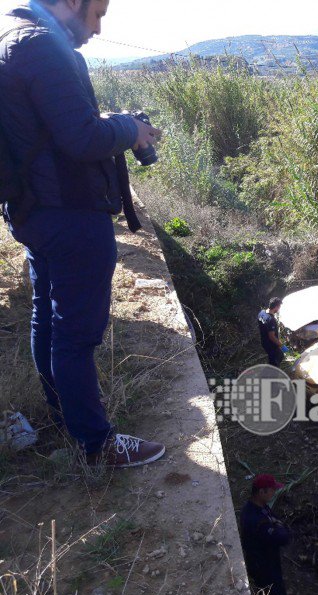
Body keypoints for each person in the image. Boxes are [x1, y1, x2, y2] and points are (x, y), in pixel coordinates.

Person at [0, 0, 164, 466]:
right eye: (99, 11)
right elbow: (82, 139)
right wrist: (128, 129)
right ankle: (98, 444)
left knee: (47, 319)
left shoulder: (13, 36)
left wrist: (111, 122)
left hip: (34, 209)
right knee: (75, 335)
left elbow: (53, 127)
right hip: (69, 213)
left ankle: (64, 414)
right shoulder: (42, 45)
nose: (99, 25)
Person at [240, 474, 291, 595]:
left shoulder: (260, 506)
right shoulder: (254, 518)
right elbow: (283, 537)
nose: (274, 492)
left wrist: (279, 527)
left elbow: (277, 522)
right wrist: (281, 528)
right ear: (262, 492)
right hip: (263, 567)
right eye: (272, 490)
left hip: (269, 560)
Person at [258, 297, 286, 367]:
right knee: (275, 362)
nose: (279, 309)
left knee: (280, 355)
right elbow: (272, 336)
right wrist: (281, 345)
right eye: (279, 307)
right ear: (276, 307)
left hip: (264, 341)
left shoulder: (261, 313)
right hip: (270, 345)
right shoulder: (271, 320)